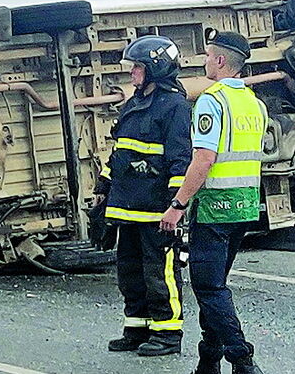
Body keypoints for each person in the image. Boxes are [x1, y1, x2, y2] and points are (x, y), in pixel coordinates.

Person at [160, 31, 267, 374]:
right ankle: (208, 361)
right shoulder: (255, 102)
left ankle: (242, 360)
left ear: (220, 61)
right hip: (246, 205)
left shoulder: (212, 100)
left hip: (214, 208)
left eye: (207, 56)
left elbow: (204, 159)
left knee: (208, 286)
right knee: (215, 285)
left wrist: (177, 205)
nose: (204, 61)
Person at [94, 35, 191, 356]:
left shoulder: (175, 107)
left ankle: (167, 333)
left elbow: (181, 161)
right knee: (130, 272)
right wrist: (102, 190)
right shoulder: (133, 104)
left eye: (137, 66)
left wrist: (176, 207)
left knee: (159, 273)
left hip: (155, 211)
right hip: (126, 207)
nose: (132, 72)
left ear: (156, 68)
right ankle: (137, 327)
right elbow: (120, 154)